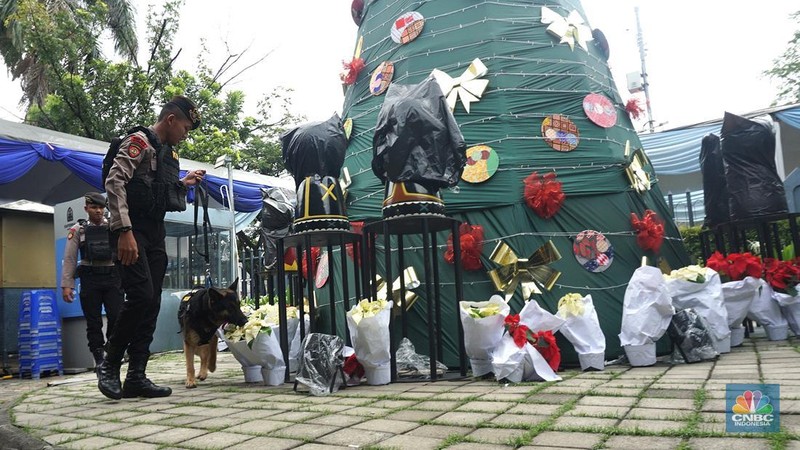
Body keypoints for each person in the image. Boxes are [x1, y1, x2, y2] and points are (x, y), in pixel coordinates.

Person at [98, 95, 206, 400]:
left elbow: (155, 189)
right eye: (185, 126)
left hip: (154, 231)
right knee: (141, 295)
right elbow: (115, 182)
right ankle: (109, 363)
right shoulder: (138, 141)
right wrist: (124, 230)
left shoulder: (165, 152)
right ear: (171, 120)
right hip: (130, 230)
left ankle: (136, 377)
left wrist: (184, 182)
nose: (186, 133)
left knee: (153, 302)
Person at [60, 192, 123, 373]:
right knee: (93, 321)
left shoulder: (113, 226)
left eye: (101, 207)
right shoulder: (78, 230)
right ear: (86, 208)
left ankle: (112, 352)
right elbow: (70, 259)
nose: (98, 211)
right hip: (90, 278)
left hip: (113, 276)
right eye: (94, 207)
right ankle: (99, 356)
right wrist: (67, 285)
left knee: (117, 317)